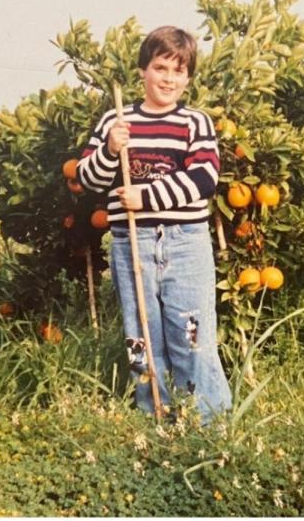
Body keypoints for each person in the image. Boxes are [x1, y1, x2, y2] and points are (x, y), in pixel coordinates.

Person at [76, 25, 232, 424]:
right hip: (133, 242)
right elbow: (87, 179)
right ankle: (154, 416)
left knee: (192, 333)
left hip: (185, 242)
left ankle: (205, 421)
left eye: (178, 72)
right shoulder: (116, 121)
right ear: (143, 70)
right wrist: (111, 150)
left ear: (188, 78)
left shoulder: (195, 124)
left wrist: (145, 197)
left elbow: (203, 180)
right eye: (160, 67)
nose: (168, 78)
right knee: (141, 335)